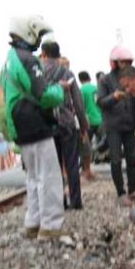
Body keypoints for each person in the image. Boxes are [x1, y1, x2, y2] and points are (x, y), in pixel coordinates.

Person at [3, 15, 67, 239]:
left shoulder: (10, 59)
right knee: (48, 176)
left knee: (33, 177)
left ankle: (33, 222)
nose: (39, 40)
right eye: (38, 35)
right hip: (36, 123)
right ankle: (50, 225)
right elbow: (44, 94)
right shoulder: (28, 60)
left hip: (20, 125)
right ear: (28, 32)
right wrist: (60, 91)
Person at [40, 41, 89, 210]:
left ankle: (59, 202)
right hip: (67, 123)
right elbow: (78, 103)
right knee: (72, 164)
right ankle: (76, 202)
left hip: (47, 125)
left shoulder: (39, 74)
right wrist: (83, 126)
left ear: (44, 54)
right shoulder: (67, 73)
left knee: (54, 167)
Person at [97, 46, 135, 206]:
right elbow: (100, 102)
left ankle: (133, 190)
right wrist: (113, 97)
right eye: (124, 62)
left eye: (129, 62)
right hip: (113, 127)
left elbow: (133, 104)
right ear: (115, 62)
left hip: (128, 125)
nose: (126, 65)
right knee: (115, 160)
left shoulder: (128, 77)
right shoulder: (105, 80)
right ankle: (121, 192)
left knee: (132, 158)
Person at [78, 71, 100, 181]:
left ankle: (85, 169)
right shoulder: (96, 88)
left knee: (85, 146)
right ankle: (88, 169)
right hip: (100, 119)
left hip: (89, 121)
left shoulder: (81, 90)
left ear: (80, 79)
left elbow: (80, 106)